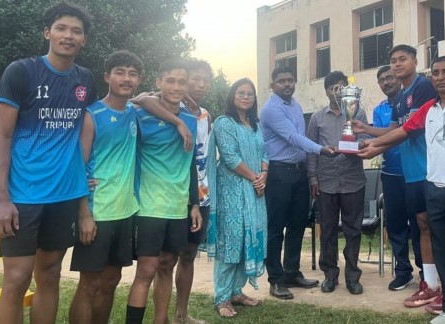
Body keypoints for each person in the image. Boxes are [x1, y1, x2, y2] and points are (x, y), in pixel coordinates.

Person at [359, 56, 445, 324]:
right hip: (434, 189)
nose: (441, 77)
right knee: (443, 252)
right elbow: (402, 133)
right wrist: (373, 148)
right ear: (431, 78)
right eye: (436, 73)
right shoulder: (428, 110)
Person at [0, 2, 96, 323]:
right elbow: (2, 136)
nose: (68, 35)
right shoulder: (22, 72)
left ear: (83, 40)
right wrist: (0, 199)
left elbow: (91, 127)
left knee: (50, 275)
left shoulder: (85, 79)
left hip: (63, 196)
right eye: (61, 28)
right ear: (47, 32)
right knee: (15, 279)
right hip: (22, 196)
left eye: (76, 31)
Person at [353, 45, 440, 309]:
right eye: (393, 61)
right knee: (422, 226)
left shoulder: (423, 86)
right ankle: (431, 285)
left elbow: (410, 129)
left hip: (430, 169)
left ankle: (442, 285)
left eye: (403, 59)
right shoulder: (400, 97)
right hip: (411, 171)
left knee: (431, 228)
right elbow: (393, 130)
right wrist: (368, 138)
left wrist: (373, 149)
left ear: (415, 60)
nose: (397, 64)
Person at [68, 50, 142, 324]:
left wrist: (181, 124)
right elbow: (78, 166)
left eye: (132, 74)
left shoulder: (135, 112)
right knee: (89, 284)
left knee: (112, 280)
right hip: (97, 213)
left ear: (139, 80)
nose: (126, 78)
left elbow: (160, 100)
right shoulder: (92, 115)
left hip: (126, 212)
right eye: (120, 72)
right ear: (107, 77)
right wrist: (84, 213)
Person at [125, 59, 201, 324]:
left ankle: (161, 320)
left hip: (178, 208)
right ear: (159, 83)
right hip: (148, 207)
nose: (176, 86)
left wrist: (194, 203)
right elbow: (134, 99)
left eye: (182, 81)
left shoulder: (191, 120)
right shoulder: (140, 115)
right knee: (146, 271)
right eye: (170, 80)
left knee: (168, 265)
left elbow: (190, 163)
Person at [143, 59, 213, 324]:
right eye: (195, 78)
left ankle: (181, 315)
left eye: (206, 79)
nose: (201, 84)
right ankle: (159, 317)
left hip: (200, 195)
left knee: (189, 255)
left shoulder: (205, 115)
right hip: (169, 195)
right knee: (164, 260)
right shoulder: (164, 102)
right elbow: (141, 99)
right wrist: (177, 121)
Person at [260, 66, 335, 300]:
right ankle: (276, 279)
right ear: (272, 85)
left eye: (290, 80)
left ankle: (292, 272)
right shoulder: (271, 109)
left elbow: (300, 141)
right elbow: (293, 137)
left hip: (299, 172)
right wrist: (321, 149)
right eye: (281, 81)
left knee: (297, 225)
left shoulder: (296, 105)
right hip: (279, 173)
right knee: (275, 228)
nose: (287, 84)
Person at [205, 78, 268, 317]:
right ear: (232, 96)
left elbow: (265, 152)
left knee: (248, 238)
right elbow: (230, 159)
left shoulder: (255, 124)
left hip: (255, 191)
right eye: (241, 92)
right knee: (231, 242)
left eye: (250, 94)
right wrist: (255, 178)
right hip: (232, 191)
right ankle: (222, 297)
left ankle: (236, 291)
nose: (245, 97)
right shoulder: (224, 123)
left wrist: (263, 175)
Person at [306, 71, 368, 294]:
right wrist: (313, 178)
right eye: (333, 88)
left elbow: (365, 139)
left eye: (341, 88)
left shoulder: (357, 111)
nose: (337, 92)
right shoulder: (316, 118)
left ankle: (353, 276)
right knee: (328, 230)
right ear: (326, 91)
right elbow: (311, 150)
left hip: (353, 180)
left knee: (354, 230)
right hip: (326, 182)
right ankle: (330, 275)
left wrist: (355, 146)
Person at [372, 66, 422, 291]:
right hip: (391, 173)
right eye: (381, 80)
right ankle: (403, 271)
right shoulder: (379, 110)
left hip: (416, 173)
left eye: (389, 77)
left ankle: (426, 271)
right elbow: (387, 135)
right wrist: (367, 135)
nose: (386, 82)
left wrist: (369, 135)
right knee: (395, 225)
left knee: (421, 224)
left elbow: (400, 132)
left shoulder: (413, 100)